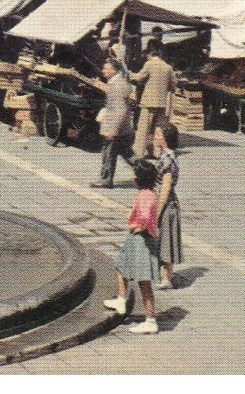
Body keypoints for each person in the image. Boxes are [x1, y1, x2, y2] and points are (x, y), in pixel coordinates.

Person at [103, 159, 162, 334]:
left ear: (138, 178)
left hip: (142, 240)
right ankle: (121, 299)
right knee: (121, 265)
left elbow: (144, 216)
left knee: (144, 281)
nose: (132, 175)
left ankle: (151, 320)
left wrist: (140, 227)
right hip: (137, 238)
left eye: (133, 173)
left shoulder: (145, 195)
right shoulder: (148, 193)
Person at [129, 37, 176, 158]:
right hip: (161, 103)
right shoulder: (168, 67)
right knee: (158, 129)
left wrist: (130, 74)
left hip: (149, 102)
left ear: (149, 54)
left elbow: (139, 78)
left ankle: (139, 152)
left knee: (143, 128)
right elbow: (173, 85)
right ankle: (157, 152)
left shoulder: (149, 64)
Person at [92, 57, 135, 188]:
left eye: (106, 68)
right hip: (121, 126)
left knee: (109, 153)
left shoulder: (117, 85)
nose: (103, 71)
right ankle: (148, 172)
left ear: (114, 70)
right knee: (127, 153)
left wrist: (111, 131)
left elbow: (119, 109)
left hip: (116, 127)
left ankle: (105, 179)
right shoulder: (117, 82)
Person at [151, 124, 182, 290]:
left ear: (165, 138)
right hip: (163, 202)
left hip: (167, 204)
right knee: (162, 239)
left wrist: (157, 213)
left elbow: (165, 188)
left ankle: (166, 278)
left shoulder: (168, 159)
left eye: (157, 134)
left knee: (166, 240)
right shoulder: (164, 156)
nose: (155, 137)